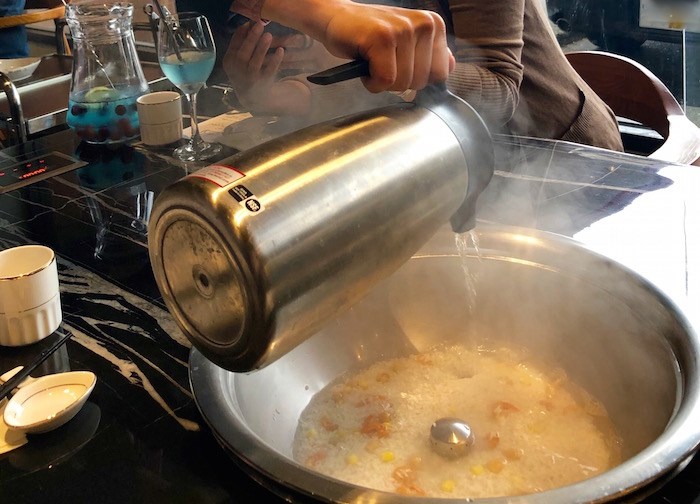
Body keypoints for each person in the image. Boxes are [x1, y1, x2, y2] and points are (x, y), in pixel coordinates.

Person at [223, 0, 623, 151]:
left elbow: (501, 90)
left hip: (561, 149)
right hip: (451, 151)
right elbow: (377, 87)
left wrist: (395, 65)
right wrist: (273, 96)